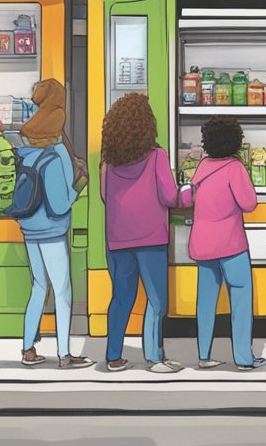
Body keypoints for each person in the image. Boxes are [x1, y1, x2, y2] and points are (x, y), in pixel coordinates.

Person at [100, 93, 183, 373]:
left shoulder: (107, 163)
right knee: (156, 300)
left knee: (121, 297)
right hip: (150, 238)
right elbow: (171, 196)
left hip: (117, 238)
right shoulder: (157, 156)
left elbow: (103, 196)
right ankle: (154, 358)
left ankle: (113, 357)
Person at [15, 78, 92, 369]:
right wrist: (80, 183)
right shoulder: (57, 154)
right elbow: (60, 203)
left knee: (38, 286)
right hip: (52, 230)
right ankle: (64, 354)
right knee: (62, 291)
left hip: (29, 227)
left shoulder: (27, 153)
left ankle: (27, 350)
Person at [180, 117, 266, 370]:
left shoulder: (203, 166)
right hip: (230, 245)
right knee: (240, 299)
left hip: (202, 244)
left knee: (205, 301)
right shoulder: (234, 168)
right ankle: (243, 358)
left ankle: (204, 356)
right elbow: (249, 203)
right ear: (235, 141)